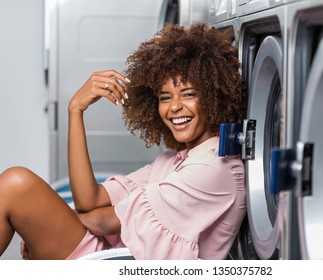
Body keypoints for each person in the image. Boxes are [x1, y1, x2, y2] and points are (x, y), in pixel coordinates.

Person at [0, 23, 246, 260]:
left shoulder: (213, 167)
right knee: (16, 184)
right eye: (165, 97)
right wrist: (75, 110)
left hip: (117, 264)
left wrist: (41, 223)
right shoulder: (172, 161)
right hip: (111, 256)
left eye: (189, 94)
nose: (175, 107)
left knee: (17, 183)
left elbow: (104, 221)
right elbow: (90, 201)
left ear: (215, 97)